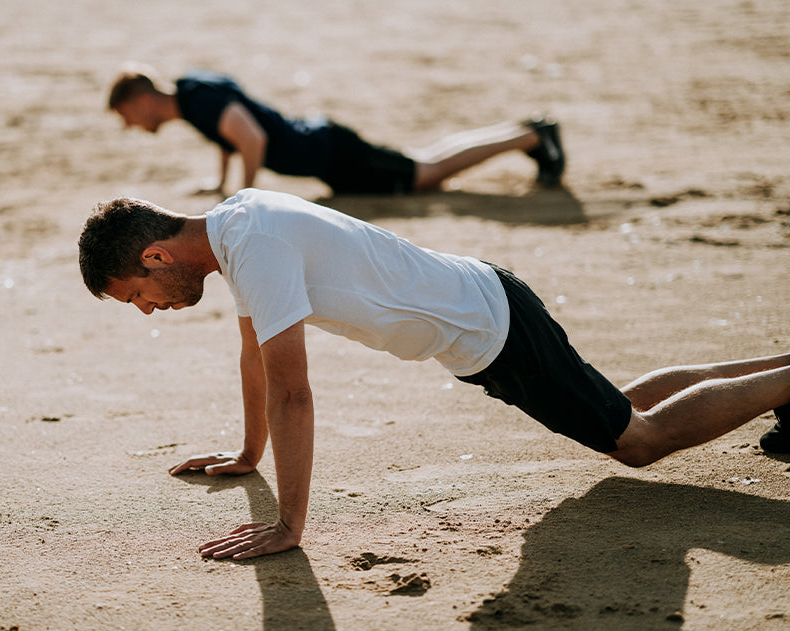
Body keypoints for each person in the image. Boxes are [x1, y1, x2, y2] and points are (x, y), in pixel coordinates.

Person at [77, 188, 790, 560]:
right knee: (624, 403)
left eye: (136, 297)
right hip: (485, 310)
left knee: (636, 441)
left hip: (491, 329)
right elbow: (254, 357)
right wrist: (247, 455)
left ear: (154, 259)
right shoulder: (236, 229)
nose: (147, 311)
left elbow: (294, 391)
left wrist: (290, 524)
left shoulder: (250, 245)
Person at [106, 65, 565, 196]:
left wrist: (244, 197)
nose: (132, 126)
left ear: (142, 99)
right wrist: (221, 183)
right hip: (325, 148)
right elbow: (230, 137)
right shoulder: (191, 91)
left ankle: (531, 138)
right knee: (424, 159)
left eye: (127, 116)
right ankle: (527, 131)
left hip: (328, 153)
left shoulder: (198, 101)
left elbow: (253, 139)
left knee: (425, 174)